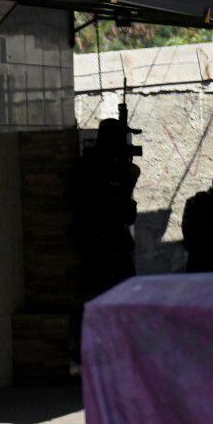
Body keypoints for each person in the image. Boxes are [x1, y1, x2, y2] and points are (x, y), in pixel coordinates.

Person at [75, 118, 141, 298]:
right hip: (102, 250)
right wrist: (126, 185)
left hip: (113, 247)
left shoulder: (109, 167)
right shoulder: (94, 169)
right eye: (121, 139)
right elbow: (116, 212)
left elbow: (127, 215)